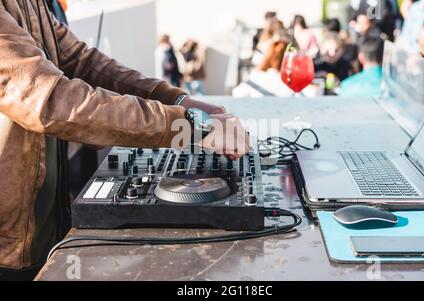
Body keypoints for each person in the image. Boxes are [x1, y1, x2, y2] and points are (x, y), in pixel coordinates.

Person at [0, 0, 248, 279]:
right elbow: (49, 100)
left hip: (41, 229)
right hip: (7, 249)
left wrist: (180, 101)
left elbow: (83, 62)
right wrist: (188, 126)